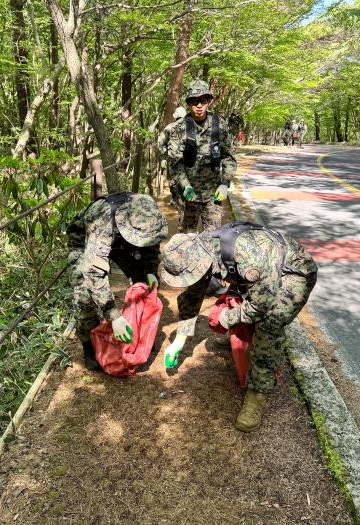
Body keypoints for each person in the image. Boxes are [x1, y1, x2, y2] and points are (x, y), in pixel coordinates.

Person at [160, 222, 318, 432]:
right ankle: (241, 339)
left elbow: (262, 305)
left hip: (293, 273)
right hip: (263, 275)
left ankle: (257, 394)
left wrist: (230, 318)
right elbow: (193, 294)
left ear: (198, 261)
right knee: (237, 303)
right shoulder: (203, 250)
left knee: (270, 323)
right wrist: (180, 340)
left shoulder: (247, 257)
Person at [66, 192, 168, 370]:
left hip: (123, 241)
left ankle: (139, 335)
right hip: (85, 243)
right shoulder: (102, 221)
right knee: (84, 295)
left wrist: (151, 271)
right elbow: (93, 274)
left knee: (145, 284)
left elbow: (151, 244)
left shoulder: (148, 210)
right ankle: (89, 345)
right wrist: (114, 317)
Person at [165, 79, 236, 234]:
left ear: (209, 102)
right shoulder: (178, 128)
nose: (198, 105)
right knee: (187, 239)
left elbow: (229, 158)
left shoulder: (220, 125)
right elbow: (175, 163)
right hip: (189, 195)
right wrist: (185, 185)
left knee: (215, 239)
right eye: (194, 101)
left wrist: (225, 183)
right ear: (189, 103)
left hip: (213, 194)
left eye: (202, 100)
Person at [157, 106, 188, 231]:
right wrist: (164, 157)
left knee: (182, 192)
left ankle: (183, 221)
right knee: (176, 188)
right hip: (174, 165)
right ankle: (182, 217)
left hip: (185, 166)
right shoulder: (169, 128)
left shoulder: (190, 128)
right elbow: (161, 143)